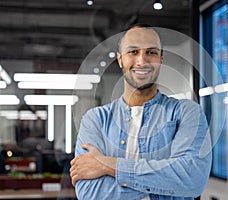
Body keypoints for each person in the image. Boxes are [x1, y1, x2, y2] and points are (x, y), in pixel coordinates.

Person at [70, 24, 212, 200]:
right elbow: (90, 193)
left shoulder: (187, 112)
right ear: (120, 59)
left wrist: (108, 165)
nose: (142, 61)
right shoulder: (96, 119)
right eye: (133, 52)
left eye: (151, 52)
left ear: (161, 58)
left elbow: (192, 179)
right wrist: (167, 181)